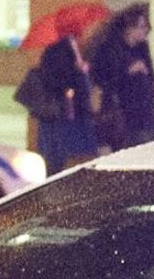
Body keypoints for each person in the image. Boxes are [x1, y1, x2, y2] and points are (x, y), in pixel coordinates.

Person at [15, 27, 101, 173]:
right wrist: (77, 71)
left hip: (70, 112)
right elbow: (56, 79)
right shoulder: (57, 50)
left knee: (71, 153)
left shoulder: (80, 50)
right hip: (59, 112)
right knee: (56, 156)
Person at [87, 4, 154, 151]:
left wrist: (153, 83)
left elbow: (150, 72)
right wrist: (128, 70)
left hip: (145, 112)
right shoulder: (109, 49)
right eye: (140, 26)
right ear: (128, 27)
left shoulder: (142, 48)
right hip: (122, 114)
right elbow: (102, 80)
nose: (145, 30)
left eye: (145, 26)